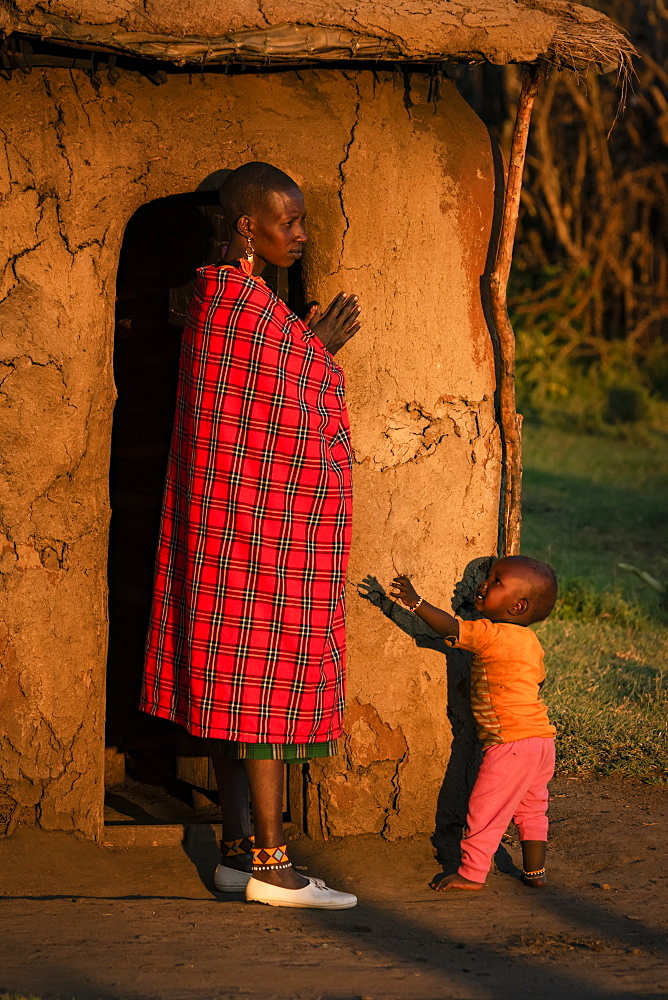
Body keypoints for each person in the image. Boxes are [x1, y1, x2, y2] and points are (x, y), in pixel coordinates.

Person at [142, 162, 361, 909]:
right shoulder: (235, 304)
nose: (299, 236)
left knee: (239, 685)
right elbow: (277, 409)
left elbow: (268, 392)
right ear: (246, 226)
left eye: (300, 222)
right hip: (257, 536)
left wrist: (301, 347)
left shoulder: (243, 304)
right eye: (287, 222)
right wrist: (315, 352)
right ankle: (271, 866)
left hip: (231, 536)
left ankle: (237, 853)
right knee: (263, 687)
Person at [391, 555, 558, 893]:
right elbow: (537, 682)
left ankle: (471, 872)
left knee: (485, 808)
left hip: (509, 742)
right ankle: (535, 872)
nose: (483, 584)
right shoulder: (531, 642)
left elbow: (450, 627)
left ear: (517, 606)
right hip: (541, 740)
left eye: (495, 582)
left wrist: (416, 602)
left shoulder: (491, 634)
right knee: (532, 807)